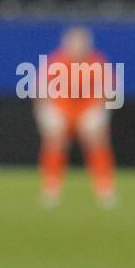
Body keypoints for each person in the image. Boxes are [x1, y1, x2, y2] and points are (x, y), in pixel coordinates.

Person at [34, 26, 117, 207]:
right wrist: (45, 113)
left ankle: (105, 189)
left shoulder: (97, 63)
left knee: (97, 141)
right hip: (61, 108)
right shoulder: (56, 62)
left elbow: (107, 92)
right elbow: (42, 91)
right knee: (55, 142)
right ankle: (51, 189)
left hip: (87, 109)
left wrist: (99, 113)